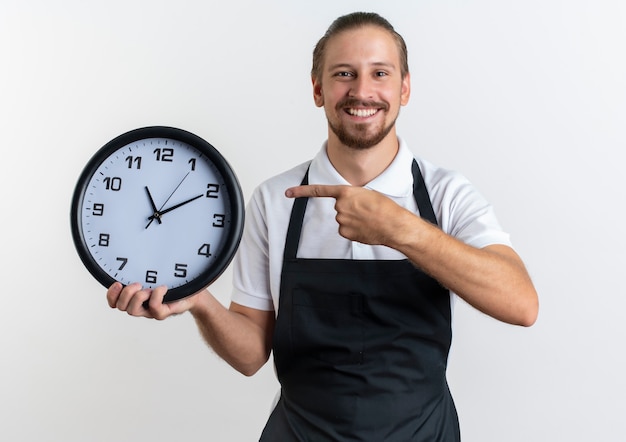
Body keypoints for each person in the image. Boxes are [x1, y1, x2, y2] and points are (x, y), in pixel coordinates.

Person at [107, 11, 539, 441]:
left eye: (380, 73)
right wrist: (199, 302)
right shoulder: (275, 201)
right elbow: (251, 355)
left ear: (404, 88)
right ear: (318, 89)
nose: (362, 91)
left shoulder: (446, 194)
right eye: (344, 74)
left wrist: (401, 229)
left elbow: (521, 304)